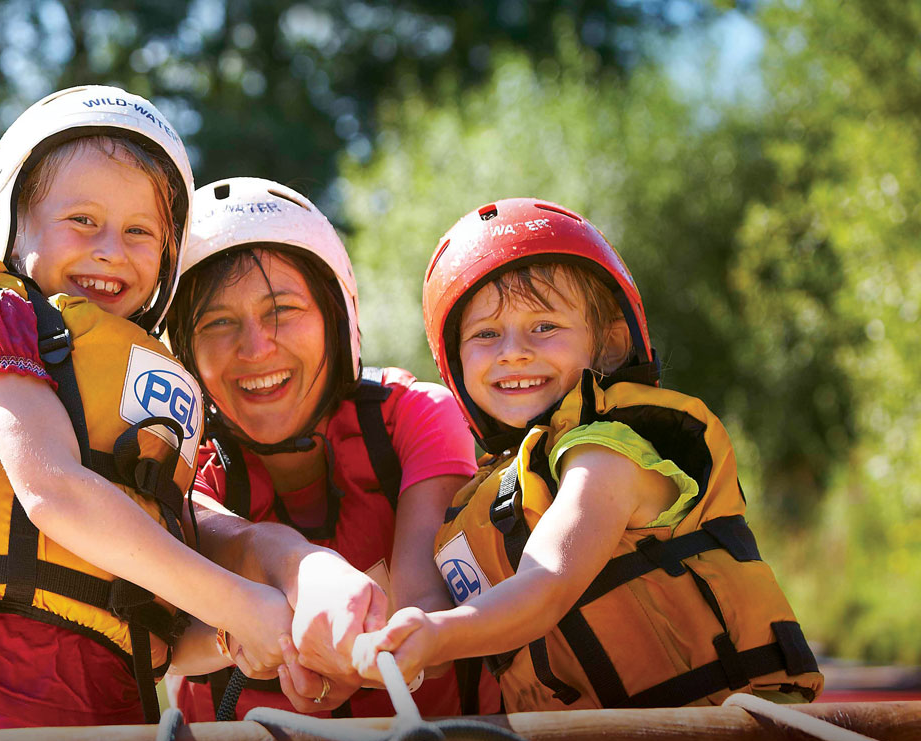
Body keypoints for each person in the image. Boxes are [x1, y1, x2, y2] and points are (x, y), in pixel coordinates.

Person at [0, 87, 293, 731]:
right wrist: (243, 604)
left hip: (120, 728)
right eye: (83, 221)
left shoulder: (152, 387)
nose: (110, 250)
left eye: (139, 231)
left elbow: (155, 636)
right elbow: (54, 493)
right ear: (12, 229)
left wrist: (253, 640)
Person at [352, 198, 824, 710]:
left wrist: (438, 634)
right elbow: (425, 615)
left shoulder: (608, 453)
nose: (512, 351)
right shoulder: (474, 508)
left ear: (609, 344)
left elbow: (548, 581)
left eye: (544, 327)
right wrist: (400, 634)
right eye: (486, 334)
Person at [161, 177, 495, 720]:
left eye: (282, 310)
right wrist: (254, 624)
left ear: (336, 320)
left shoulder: (416, 417)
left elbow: (425, 605)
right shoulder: (176, 463)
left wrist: (348, 658)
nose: (255, 347)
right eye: (218, 322)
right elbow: (165, 642)